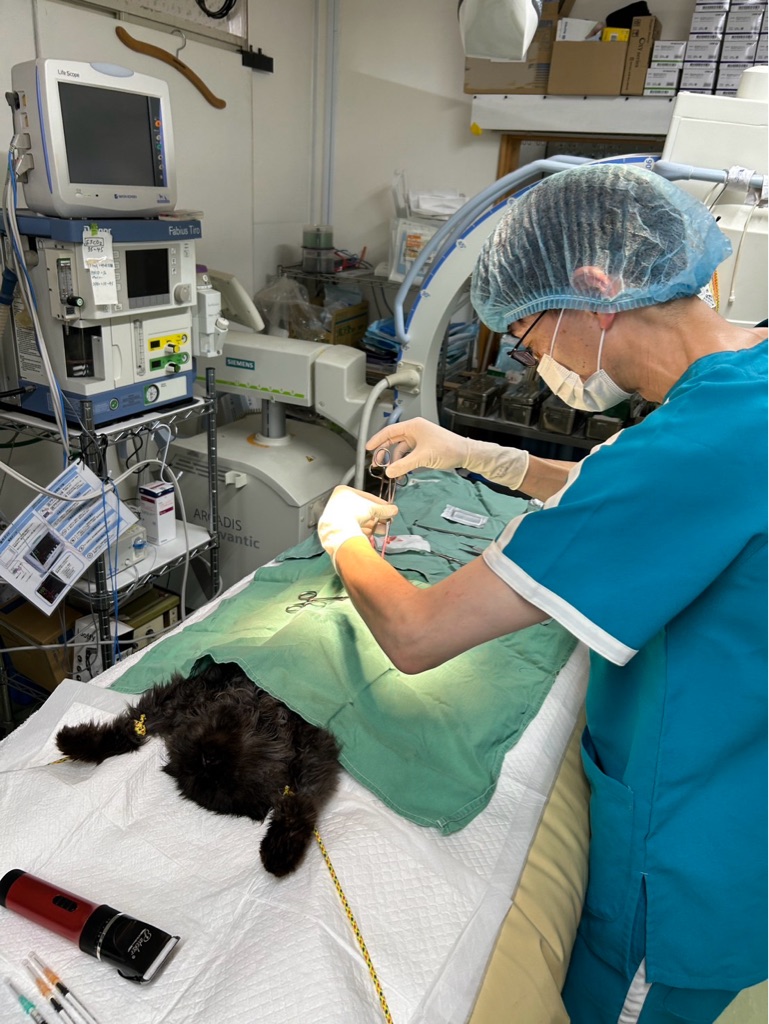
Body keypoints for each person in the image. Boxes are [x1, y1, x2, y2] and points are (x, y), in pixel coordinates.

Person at [317, 163, 768, 1024]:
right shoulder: (743, 382)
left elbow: (415, 634)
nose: (537, 366)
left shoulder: (695, 445)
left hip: (690, 855)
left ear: (594, 290)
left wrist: (341, 536)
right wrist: (479, 456)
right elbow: (641, 502)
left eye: (527, 339)